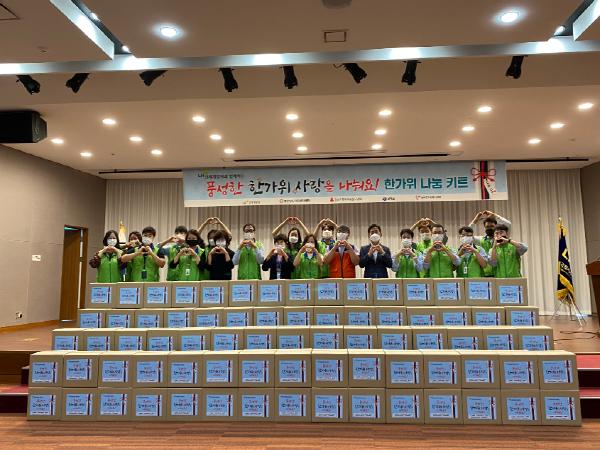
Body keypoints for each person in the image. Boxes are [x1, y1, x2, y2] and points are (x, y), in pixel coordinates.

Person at [470, 210, 512, 277]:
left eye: (492, 226)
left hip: (501, 273)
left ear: (496, 226)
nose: (489, 228)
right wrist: (475, 220)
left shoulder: (502, 238)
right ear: (484, 227)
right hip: (486, 273)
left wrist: (494, 215)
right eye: (487, 227)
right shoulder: (480, 240)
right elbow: (468, 234)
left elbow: (508, 224)